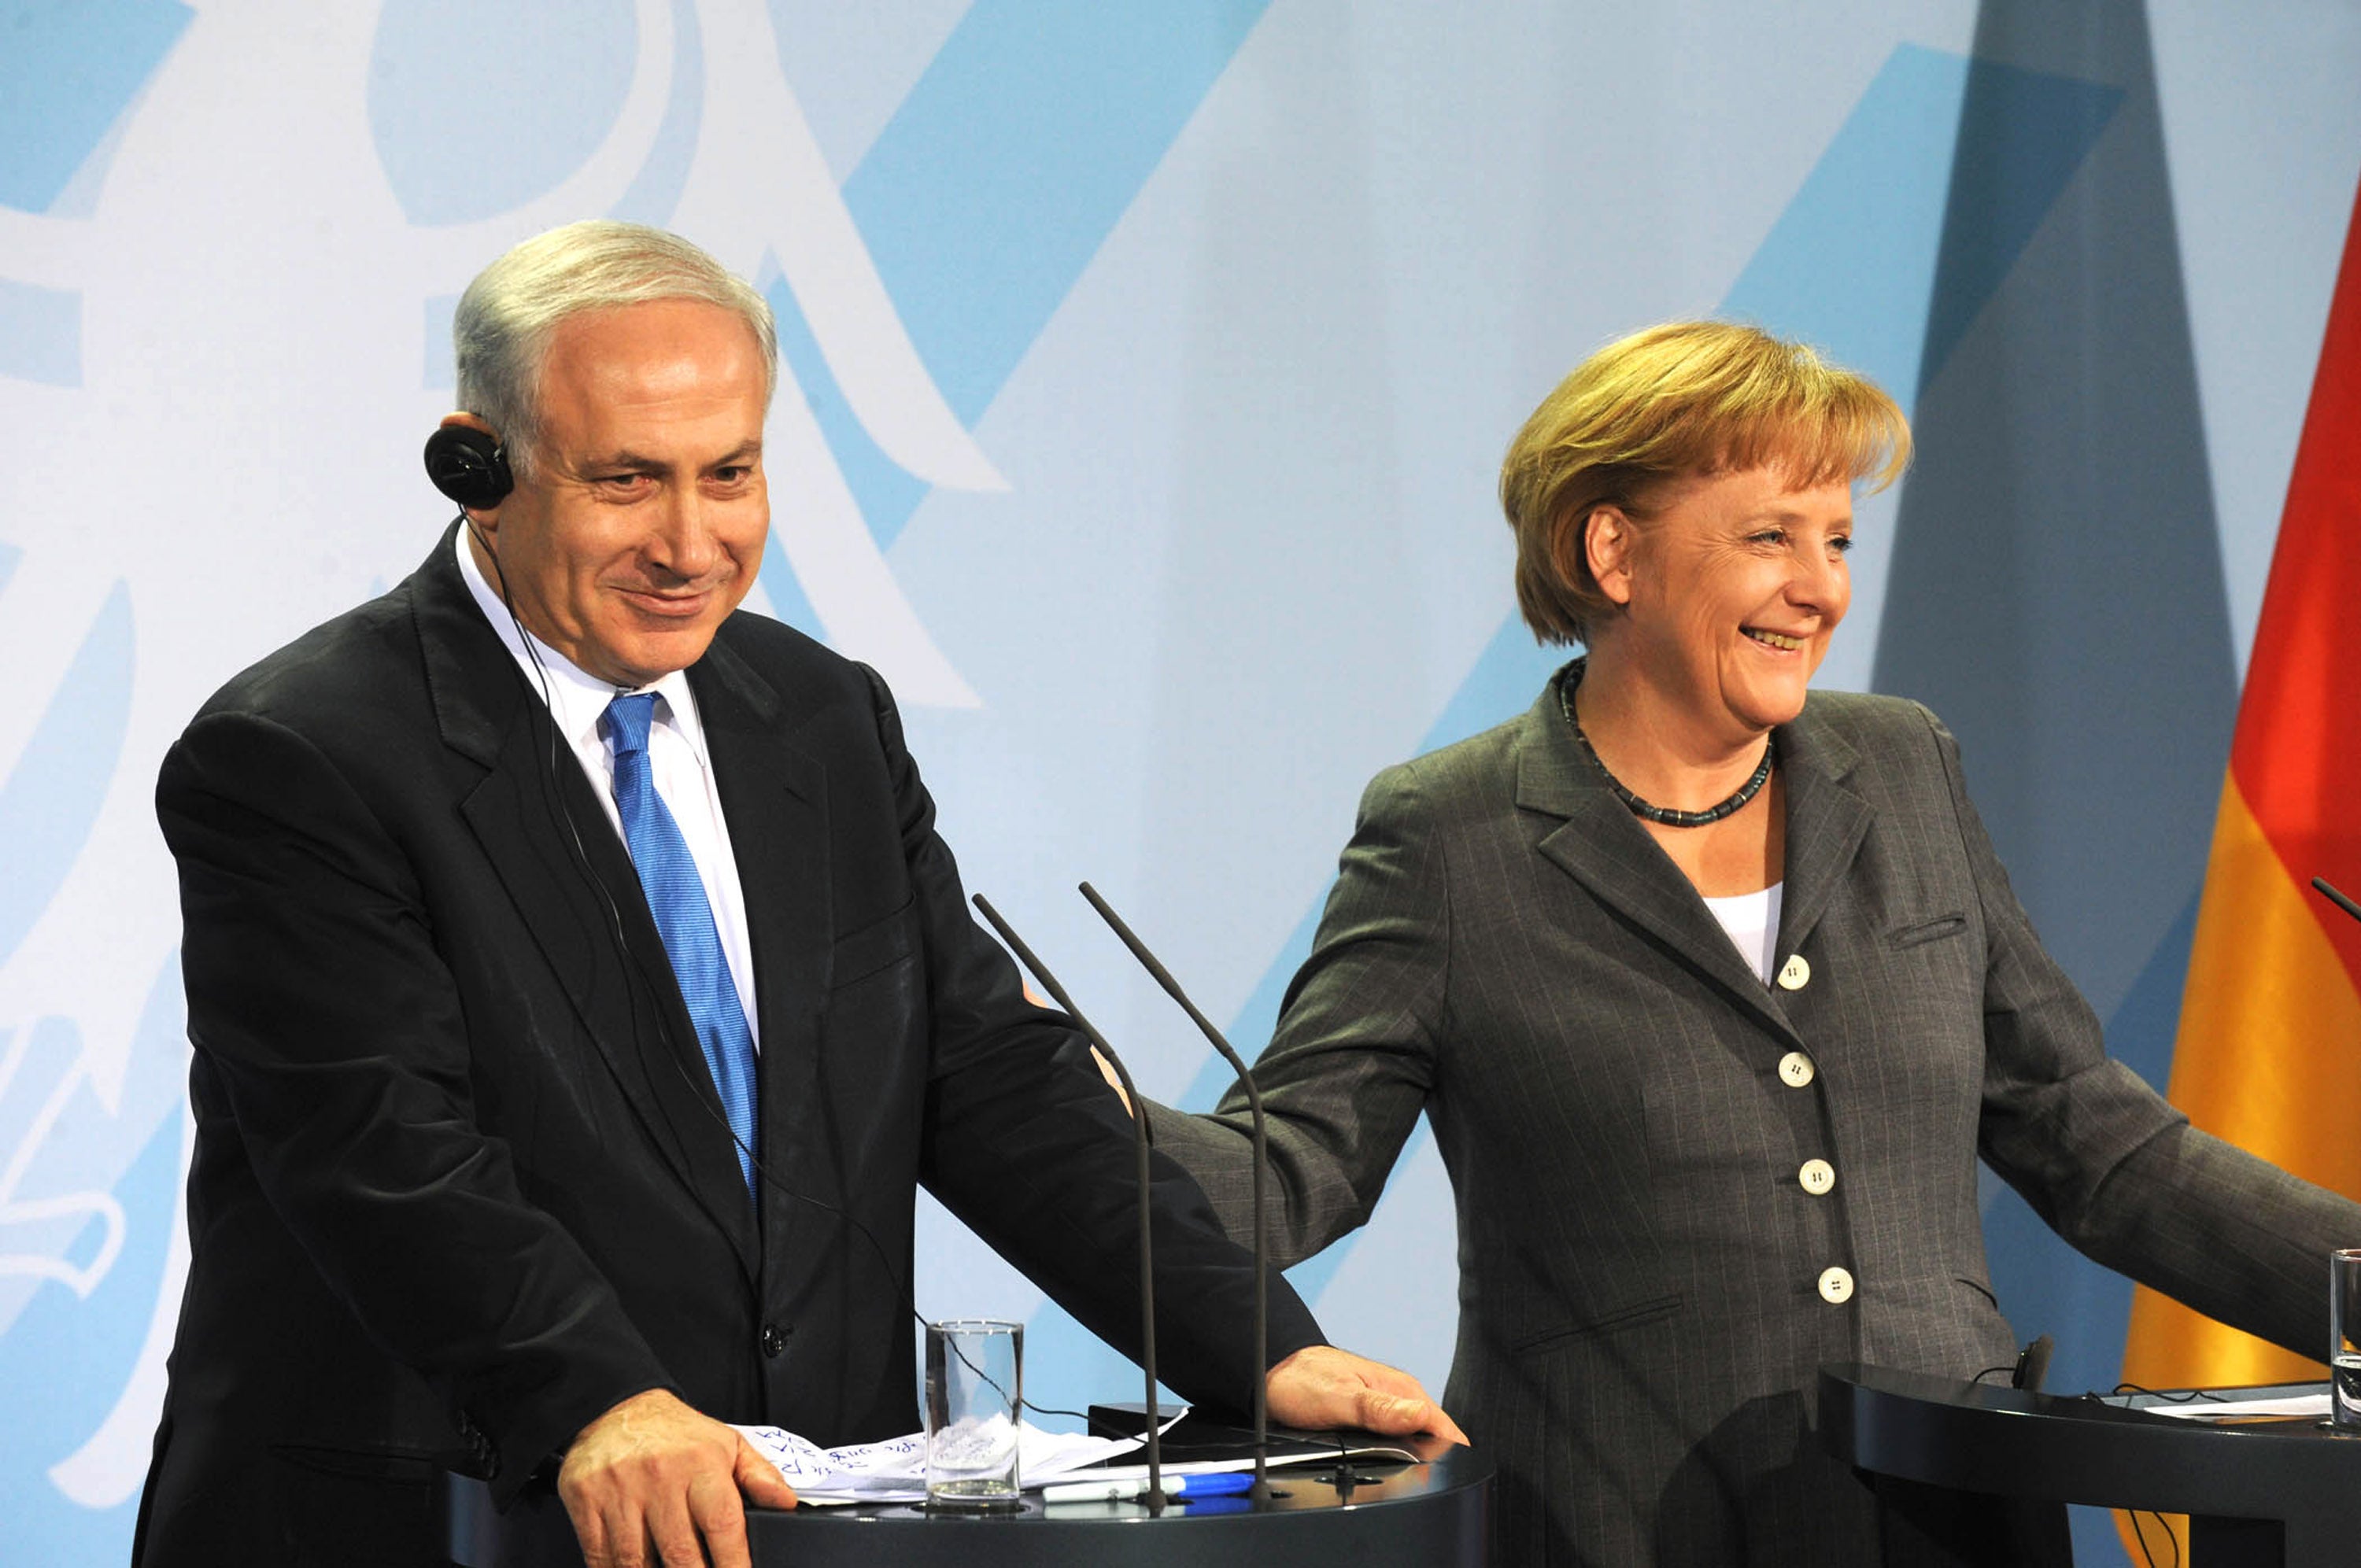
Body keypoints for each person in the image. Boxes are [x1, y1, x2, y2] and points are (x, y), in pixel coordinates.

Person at [133, 220, 1458, 1568]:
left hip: (796, 1530)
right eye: (628, 479)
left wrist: (1258, 1344)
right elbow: (380, 1148)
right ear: (480, 469)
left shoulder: (819, 718)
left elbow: (988, 1079)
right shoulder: (305, 755)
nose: (691, 540)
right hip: (433, 1522)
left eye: (732, 473)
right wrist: (596, 1394)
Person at [1142, 320, 2361, 1565]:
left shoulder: (1904, 767)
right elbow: (1294, 1167)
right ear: (1613, 549)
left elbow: (2095, 1141)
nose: (1821, 586)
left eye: (1836, 540)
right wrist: (1085, 1123)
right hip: (1614, 1526)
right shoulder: (1452, 834)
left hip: (1945, 1519)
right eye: (1771, 536)